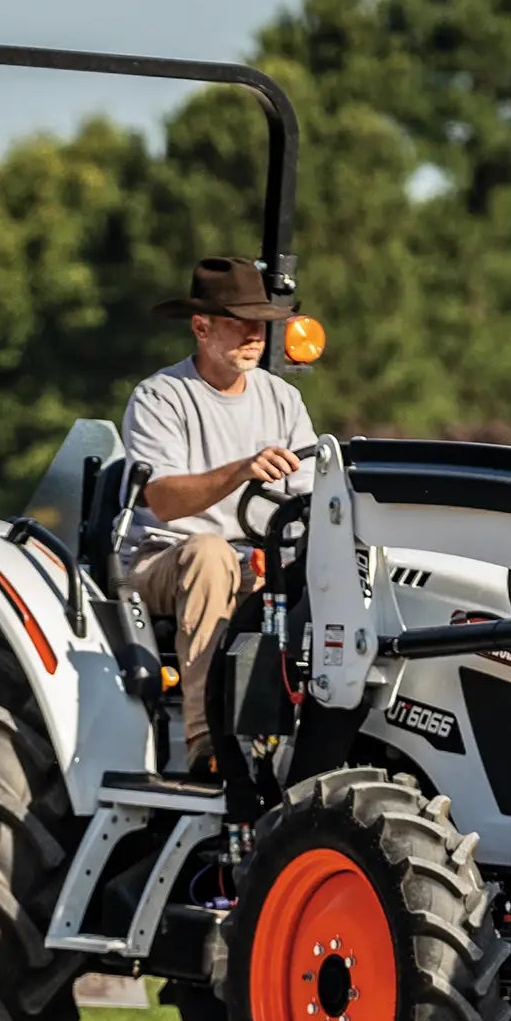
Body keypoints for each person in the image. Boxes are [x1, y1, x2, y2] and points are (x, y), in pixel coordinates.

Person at [118, 256, 317, 773]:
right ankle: (208, 744)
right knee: (211, 554)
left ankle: (321, 744)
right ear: (201, 327)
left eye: (261, 323)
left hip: (259, 563)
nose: (255, 334)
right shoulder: (162, 397)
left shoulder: (283, 399)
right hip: (164, 561)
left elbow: (312, 494)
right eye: (239, 322)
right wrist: (240, 470)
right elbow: (162, 499)